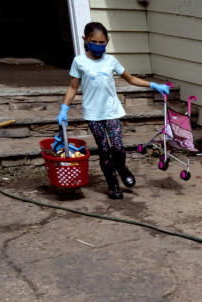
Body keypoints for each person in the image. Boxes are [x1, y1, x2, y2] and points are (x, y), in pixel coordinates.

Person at [58, 22, 171, 199]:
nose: (99, 45)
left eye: (103, 42)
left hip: (111, 111)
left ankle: (122, 167)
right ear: (85, 40)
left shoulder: (111, 61)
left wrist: (154, 85)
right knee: (104, 149)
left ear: (107, 42)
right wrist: (64, 108)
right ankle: (113, 185)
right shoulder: (79, 61)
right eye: (94, 41)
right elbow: (73, 87)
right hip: (93, 114)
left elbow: (131, 79)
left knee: (117, 147)